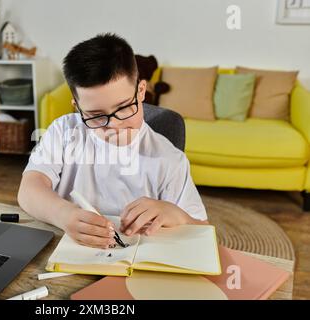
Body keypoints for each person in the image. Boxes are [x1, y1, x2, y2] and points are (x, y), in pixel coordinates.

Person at [18, 33, 207, 249]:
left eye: (124, 107)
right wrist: (63, 214)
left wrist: (176, 214)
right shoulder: (63, 131)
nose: (114, 125)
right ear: (77, 107)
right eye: (96, 115)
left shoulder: (170, 160)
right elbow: (29, 189)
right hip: (70, 253)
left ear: (141, 91)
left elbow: (202, 230)